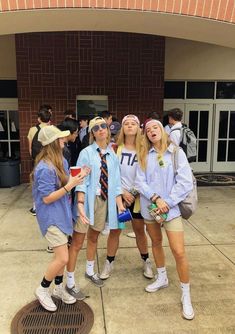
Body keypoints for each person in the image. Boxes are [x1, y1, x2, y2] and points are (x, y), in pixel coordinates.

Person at [135, 119, 195, 320]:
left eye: (155, 128)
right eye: (149, 129)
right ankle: (162, 277)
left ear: (162, 131)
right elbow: (139, 182)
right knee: (156, 243)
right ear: (146, 135)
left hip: (171, 210)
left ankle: (186, 294)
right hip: (151, 208)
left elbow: (185, 182)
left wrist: (167, 202)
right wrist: (156, 198)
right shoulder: (143, 154)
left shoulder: (176, 153)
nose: (152, 131)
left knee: (179, 251)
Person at [66, 116, 125, 294]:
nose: (100, 129)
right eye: (96, 127)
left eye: (103, 126)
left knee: (94, 237)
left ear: (108, 130)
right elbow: (80, 180)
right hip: (87, 201)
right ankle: (69, 282)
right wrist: (81, 203)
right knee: (77, 242)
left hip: (103, 200)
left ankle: (90, 271)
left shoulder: (112, 154)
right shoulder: (86, 153)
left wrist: (120, 204)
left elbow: (115, 182)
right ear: (92, 132)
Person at [32, 125, 88, 312]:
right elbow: (47, 198)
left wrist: (78, 177)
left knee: (61, 256)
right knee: (63, 258)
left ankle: (58, 288)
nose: (65, 140)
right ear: (53, 142)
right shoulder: (44, 168)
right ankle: (42, 289)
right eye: (61, 138)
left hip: (62, 213)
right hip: (51, 216)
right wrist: (69, 185)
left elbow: (65, 181)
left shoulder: (61, 161)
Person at [99, 114, 154, 280]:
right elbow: (110, 174)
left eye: (133, 124)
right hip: (119, 196)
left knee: (139, 230)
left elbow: (148, 175)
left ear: (139, 128)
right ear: (122, 128)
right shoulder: (115, 148)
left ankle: (146, 261)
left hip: (138, 197)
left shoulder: (145, 149)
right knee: (115, 231)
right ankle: (109, 262)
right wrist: (122, 191)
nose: (130, 126)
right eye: (126, 124)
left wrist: (134, 192)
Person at [27, 106, 52, 216]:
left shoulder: (33, 130)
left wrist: (34, 158)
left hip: (37, 160)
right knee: (50, 182)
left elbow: (30, 148)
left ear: (39, 119)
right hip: (50, 160)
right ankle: (49, 203)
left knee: (36, 182)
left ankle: (35, 207)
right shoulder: (52, 129)